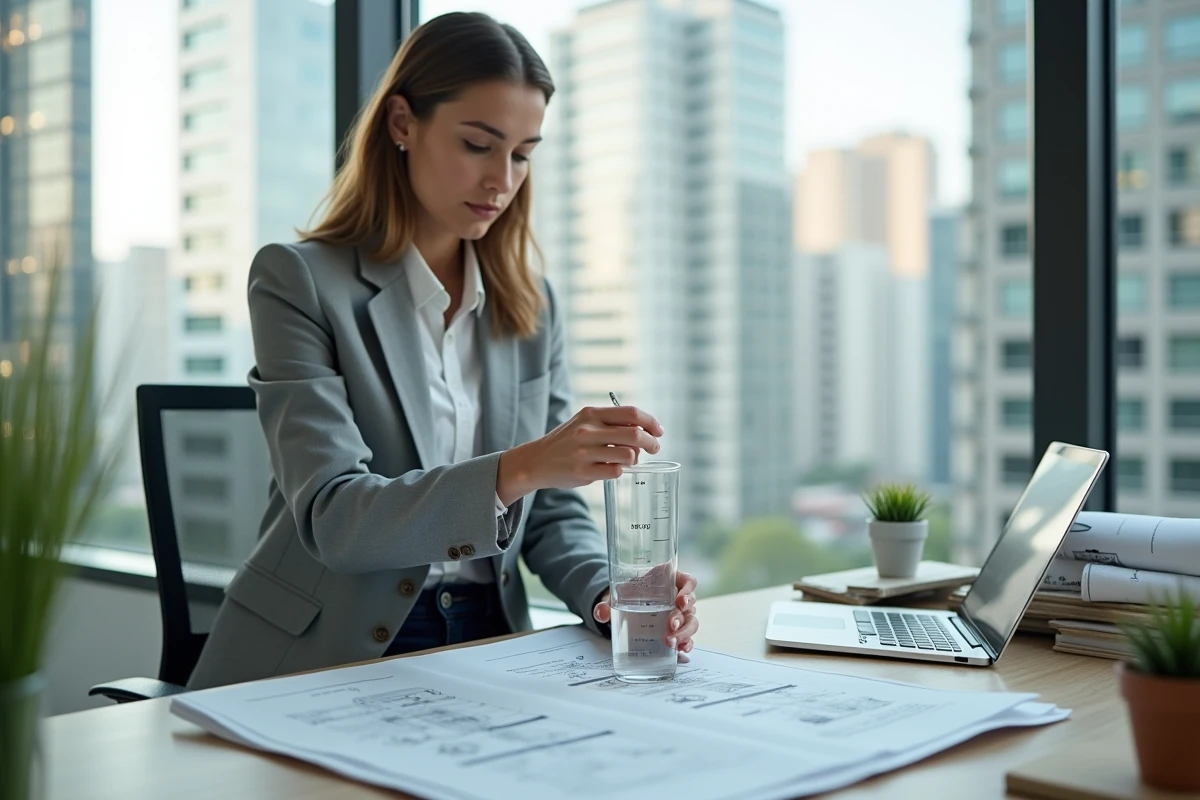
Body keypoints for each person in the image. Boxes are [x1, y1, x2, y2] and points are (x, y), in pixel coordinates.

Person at [187, 12, 699, 690]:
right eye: (478, 144)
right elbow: (335, 519)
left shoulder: (530, 303)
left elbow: (548, 513)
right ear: (402, 123)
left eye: (521, 154)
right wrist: (522, 465)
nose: (501, 180)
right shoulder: (298, 280)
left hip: (487, 636)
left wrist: (610, 592)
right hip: (328, 652)